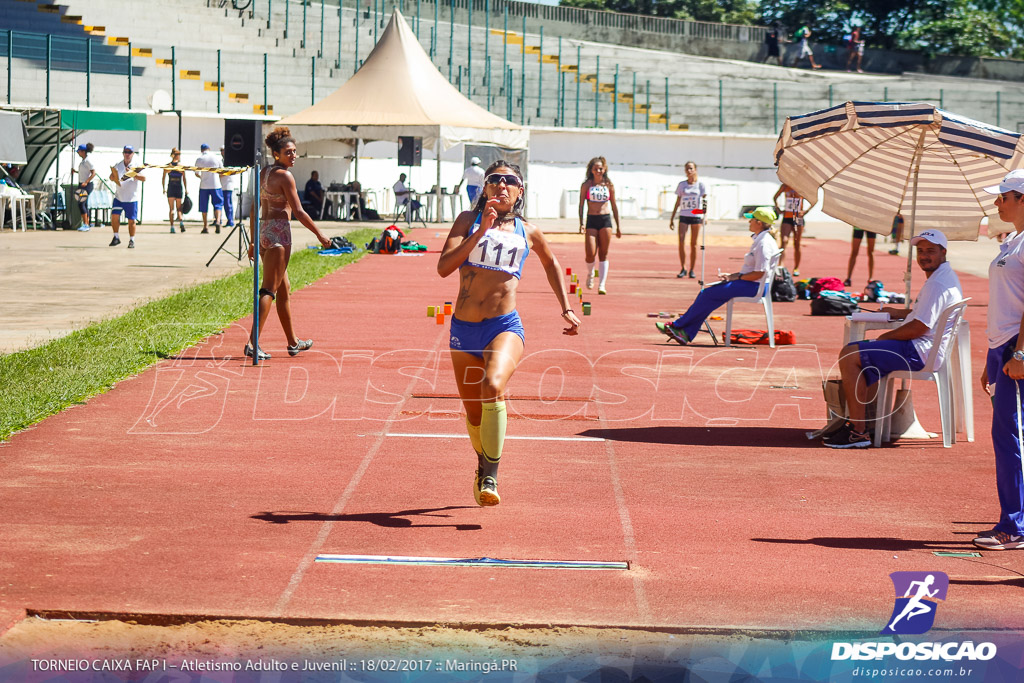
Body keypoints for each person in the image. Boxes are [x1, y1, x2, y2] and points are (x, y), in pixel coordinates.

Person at [437, 161, 580, 507]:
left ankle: (491, 474)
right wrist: (480, 232)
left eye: (509, 181)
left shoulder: (528, 231)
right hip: (463, 330)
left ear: (520, 191)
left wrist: (567, 306)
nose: (502, 186)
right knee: (473, 415)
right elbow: (443, 268)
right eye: (494, 180)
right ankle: (482, 464)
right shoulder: (466, 221)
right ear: (485, 189)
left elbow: (551, 264)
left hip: (504, 327)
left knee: (494, 387)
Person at [825, 230, 963, 449]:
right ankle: (864, 425)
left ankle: (858, 432)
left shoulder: (937, 284)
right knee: (862, 355)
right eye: (920, 251)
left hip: (919, 352)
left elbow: (919, 327)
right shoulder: (944, 277)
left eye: (931, 251)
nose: (924, 256)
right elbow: (925, 313)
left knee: (850, 355)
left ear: (943, 251)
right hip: (924, 349)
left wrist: (885, 336)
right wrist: (901, 312)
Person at [245, 127, 332, 361]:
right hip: (278, 235)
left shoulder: (264, 173)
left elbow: (255, 208)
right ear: (276, 154)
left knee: (284, 290)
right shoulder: (285, 176)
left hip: (265, 232)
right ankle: (253, 343)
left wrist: (254, 241)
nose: (293, 156)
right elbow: (299, 211)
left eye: (294, 152)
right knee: (269, 290)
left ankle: (293, 342)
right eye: (288, 152)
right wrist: (320, 235)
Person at [974, 170, 1024, 550]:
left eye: (1003, 196)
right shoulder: (1013, 242)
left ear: (1022, 198)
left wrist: (1020, 352)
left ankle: (1014, 525)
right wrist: (991, 357)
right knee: (1006, 436)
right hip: (1002, 349)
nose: (997, 203)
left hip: (1015, 350)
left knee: (1011, 437)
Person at [656, 207, 779, 345]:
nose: (749, 222)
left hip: (755, 286)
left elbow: (759, 273)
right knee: (710, 295)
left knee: (707, 294)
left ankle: (678, 326)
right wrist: (732, 276)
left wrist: (736, 278)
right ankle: (685, 332)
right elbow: (755, 272)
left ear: (759, 223)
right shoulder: (761, 240)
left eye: (751, 219)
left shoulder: (763, 244)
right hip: (752, 283)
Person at [577, 156, 621, 294]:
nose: (598, 171)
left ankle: (602, 284)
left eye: (601, 168)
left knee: (603, 253)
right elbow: (581, 204)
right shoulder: (586, 185)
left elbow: (614, 205)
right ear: (591, 170)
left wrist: (618, 226)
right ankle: (590, 274)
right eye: (595, 168)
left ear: (605, 169)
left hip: (605, 220)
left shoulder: (608, 185)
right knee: (590, 253)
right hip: (591, 219)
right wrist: (581, 223)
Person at [668, 161, 706, 279]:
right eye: (687, 169)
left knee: (694, 244)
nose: (689, 171)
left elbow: (704, 203)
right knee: (681, 242)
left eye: (691, 168)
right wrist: (672, 217)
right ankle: (683, 268)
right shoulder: (682, 185)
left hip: (695, 215)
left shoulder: (700, 185)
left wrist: (704, 216)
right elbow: (678, 201)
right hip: (683, 215)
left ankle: (692, 269)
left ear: (695, 169)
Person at [108, 145, 145, 249]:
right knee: (115, 216)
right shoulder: (118, 165)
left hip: (131, 198)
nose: (127, 154)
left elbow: (143, 178)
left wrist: (133, 174)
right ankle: (116, 237)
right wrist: (111, 177)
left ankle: (132, 239)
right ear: (123, 153)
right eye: (126, 152)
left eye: (130, 152)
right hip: (119, 196)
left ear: (133, 154)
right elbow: (112, 176)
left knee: (131, 220)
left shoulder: (137, 165)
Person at [772, 182, 812, 277]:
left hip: (798, 218)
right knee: (784, 241)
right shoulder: (785, 186)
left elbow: (813, 200)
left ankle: (796, 267)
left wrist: (806, 211)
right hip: (787, 216)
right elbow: (775, 197)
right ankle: (780, 266)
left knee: (797, 244)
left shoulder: (802, 186)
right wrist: (778, 209)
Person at [194, 143, 223, 234]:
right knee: (218, 204)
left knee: (204, 206)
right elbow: (222, 171)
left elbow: (196, 173)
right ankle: (218, 221)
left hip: (204, 185)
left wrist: (203, 177)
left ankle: (205, 226)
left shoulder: (199, 159)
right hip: (216, 185)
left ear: (202, 150)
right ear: (209, 149)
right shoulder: (216, 157)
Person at [162, 148, 186, 234]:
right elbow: (184, 179)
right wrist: (186, 189)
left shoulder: (168, 165)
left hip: (171, 186)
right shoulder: (180, 166)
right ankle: (181, 222)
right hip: (178, 187)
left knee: (172, 209)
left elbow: (164, 177)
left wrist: (163, 188)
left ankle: (172, 227)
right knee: (179, 208)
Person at [75, 143, 96, 232]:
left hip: (87, 185)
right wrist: (75, 172)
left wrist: (86, 182)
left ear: (83, 152)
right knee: (84, 203)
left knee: (81, 203)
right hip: (81, 183)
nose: (78, 153)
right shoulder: (83, 161)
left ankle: (86, 224)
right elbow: (83, 173)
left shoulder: (88, 161)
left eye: (79, 151)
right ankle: (87, 222)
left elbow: (93, 173)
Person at [219, 146, 238, 228]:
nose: (222, 152)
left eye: (223, 150)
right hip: (222, 185)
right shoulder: (221, 161)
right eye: (221, 151)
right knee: (223, 203)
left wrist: (219, 174)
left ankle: (230, 221)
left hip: (228, 185)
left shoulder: (230, 160)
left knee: (228, 204)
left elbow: (228, 172)